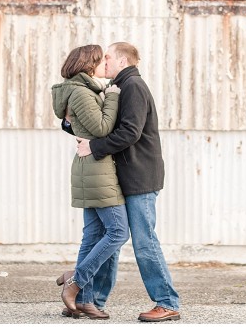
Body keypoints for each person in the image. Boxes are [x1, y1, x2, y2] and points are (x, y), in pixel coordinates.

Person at [76, 42, 181, 322]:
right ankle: (93, 302)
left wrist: (95, 148)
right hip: (123, 176)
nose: (104, 61)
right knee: (110, 238)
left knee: (144, 242)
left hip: (140, 177)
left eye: (108, 57)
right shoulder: (118, 87)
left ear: (123, 60)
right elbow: (104, 123)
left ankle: (167, 302)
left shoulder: (133, 85)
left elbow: (130, 133)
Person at [51, 45, 130, 320]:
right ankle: (75, 280)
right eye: (101, 60)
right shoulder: (82, 92)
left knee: (93, 236)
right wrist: (112, 97)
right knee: (119, 232)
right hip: (97, 170)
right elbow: (101, 129)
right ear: (88, 65)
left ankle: (83, 302)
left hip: (92, 168)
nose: (104, 64)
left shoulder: (80, 90)